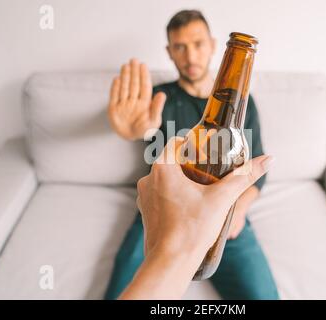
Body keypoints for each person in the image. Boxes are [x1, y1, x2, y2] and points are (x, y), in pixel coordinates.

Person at [105, 9, 279, 300]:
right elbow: (144, 129)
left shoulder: (242, 107)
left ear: (212, 45)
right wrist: (134, 131)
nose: (190, 55)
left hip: (223, 211)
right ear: (169, 52)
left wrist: (239, 211)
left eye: (197, 44)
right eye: (180, 47)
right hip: (162, 208)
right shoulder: (158, 97)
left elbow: (256, 169)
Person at [120, 137, 273, 299]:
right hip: (163, 203)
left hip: (226, 209)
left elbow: (257, 169)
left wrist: (239, 208)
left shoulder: (245, 116)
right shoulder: (162, 111)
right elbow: (139, 129)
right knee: (123, 282)